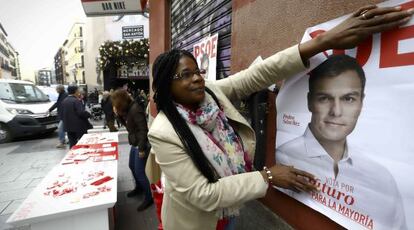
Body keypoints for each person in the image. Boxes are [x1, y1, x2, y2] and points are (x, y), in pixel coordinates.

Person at [147, 6, 413, 230]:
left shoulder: (211, 94)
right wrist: (267, 177)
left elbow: (258, 74)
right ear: (165, 86)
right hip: (195, 221)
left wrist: (322, 42)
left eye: (197, 71)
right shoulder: (164, 132)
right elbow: (203, 195)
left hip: (230, 212)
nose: (196, 78)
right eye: (184, 75)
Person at [276, 55, 406, 230]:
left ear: (361, 103)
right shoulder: (283, 156)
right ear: (309, 102)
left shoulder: (383, 181)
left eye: (348, 99)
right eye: (324, 98)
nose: (336, 111)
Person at [111, 89, 153, 211]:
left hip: (141, 144)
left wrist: (141, 149)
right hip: (135, 143)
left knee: (140, 172)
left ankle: (149, 197)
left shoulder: (135, 109)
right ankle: (139, 188)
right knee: (131, 166)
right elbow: (128, 126)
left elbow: (143, 130)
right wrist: (118, 115)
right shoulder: (129, 109)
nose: (114, 105)